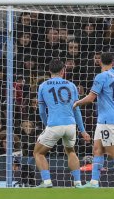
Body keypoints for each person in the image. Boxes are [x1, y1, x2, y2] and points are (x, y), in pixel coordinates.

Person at [73, 52, 114, 188]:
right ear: (113, 63)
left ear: (99, 62)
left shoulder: (101, 76)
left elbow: (91, 98)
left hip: (107, 120)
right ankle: (94, 182)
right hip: (106, 119)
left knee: (112, 151)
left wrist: (76, 103)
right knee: (97, 149)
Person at [34, 59, 91, 188]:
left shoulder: (43, 86)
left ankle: (47, 181)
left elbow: (42, 111)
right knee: (71, 151)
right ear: (63, 71)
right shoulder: (71, 85)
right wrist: (82, 130)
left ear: (49, 71)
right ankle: (78, 183)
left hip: (54, 124)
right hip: (70, 125)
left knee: (38, 153)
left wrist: (46, 124)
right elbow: (77, 110)